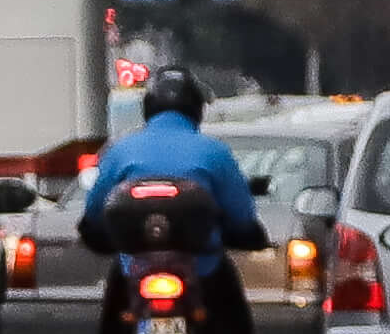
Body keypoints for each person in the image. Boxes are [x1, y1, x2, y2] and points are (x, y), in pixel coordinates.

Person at [75, 70, 268, 252]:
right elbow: (241, 214)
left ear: (148, 107)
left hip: (134, 263)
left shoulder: (120, 149)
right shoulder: (215, 151)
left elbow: (95, 209)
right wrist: (249, 234)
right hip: (202, 266)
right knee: (229, 283)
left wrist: (94, 231)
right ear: (197, 109)